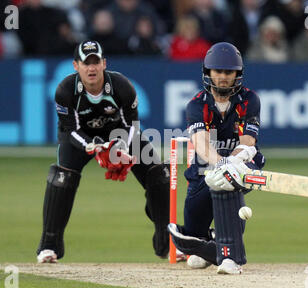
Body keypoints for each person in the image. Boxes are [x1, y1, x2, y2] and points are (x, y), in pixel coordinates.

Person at [37, 40, 170, 263]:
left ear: (104, 63)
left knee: (159, 174)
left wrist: (118, 148)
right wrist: (95, 147)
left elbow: (132, 127)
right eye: (86, 63)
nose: (91, 68)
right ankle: (49, 247)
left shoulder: (122, 86)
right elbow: (71, 131)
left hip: (119, 135)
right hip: (81, 139)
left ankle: (166, 244)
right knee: (61, 178)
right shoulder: (65, 90)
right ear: (75, 65)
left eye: (96, 62)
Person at [168, 42, 265, 274]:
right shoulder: (197, 105)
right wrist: (221, 164)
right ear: (208, 73)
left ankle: (230, 256)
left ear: (237, 74)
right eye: (218, 71)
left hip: (244, 162)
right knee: (192, 236)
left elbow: (248, 142)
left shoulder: (249, 100)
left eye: (228, 72)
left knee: (228, 180)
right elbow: (201, 144)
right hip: (205, 168)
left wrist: (231, 165)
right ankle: (212, 243)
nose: (223, 77)